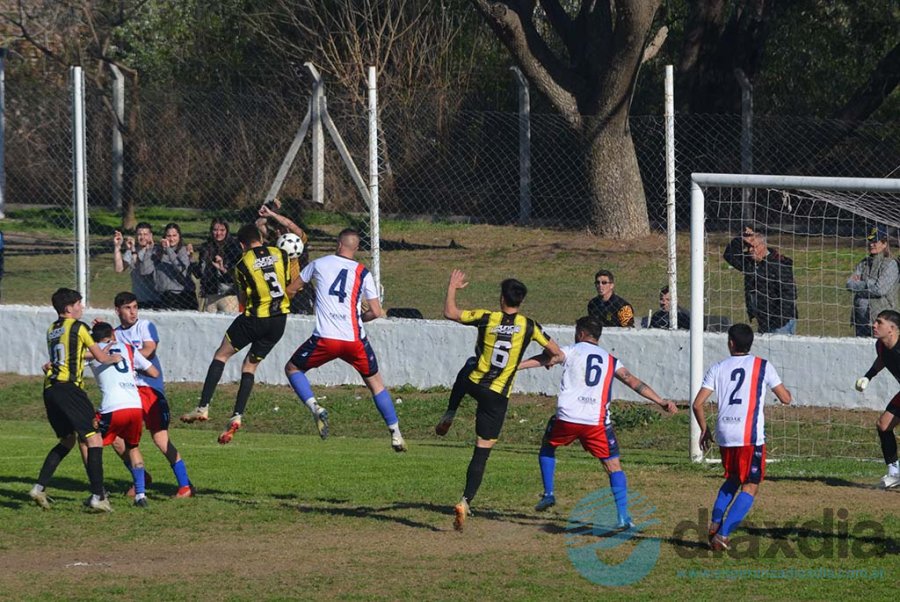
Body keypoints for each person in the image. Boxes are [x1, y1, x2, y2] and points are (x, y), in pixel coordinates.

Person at [520, 316, 677, 524]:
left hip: (568, 417)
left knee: (548, 445)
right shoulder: (610, 360)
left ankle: (548, 493)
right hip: (596, 422)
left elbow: (547, 359)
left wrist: (515, 367)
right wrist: (660, 400)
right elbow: (632, 381)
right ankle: (623, 515)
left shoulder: (571, 350)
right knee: (613, 466)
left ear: (581, 334)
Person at [443, 269, 563, 531]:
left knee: (468, 367)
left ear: (501, 299)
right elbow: (557, 353)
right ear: (521, 302)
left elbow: (450, 312)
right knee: (481, 452)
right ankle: (465, 501)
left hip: (474, 383)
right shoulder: (529, 325)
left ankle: (450, 412)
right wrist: (535, 363)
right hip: (497, 396)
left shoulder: (487, 317)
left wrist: (452, 287)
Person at [283, 228, 405, 451]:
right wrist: (358, 317)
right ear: (356, 248)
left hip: (325, 338)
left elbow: (291, 290)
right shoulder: (362, 272)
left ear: (338, 244)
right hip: (354, 340)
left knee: (292, 369)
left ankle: (315, 407)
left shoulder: (318, 264)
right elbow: (376, 312)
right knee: (376, 385)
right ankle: (395, 433)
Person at [182, 224, 301, 445]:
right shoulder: (280, 254)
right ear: (261, 238)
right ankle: (237, 415)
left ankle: (203, 407)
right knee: (249, 367)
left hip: (255, 319)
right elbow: (289, 282)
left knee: (221, 355)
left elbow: (243, 301)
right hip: (279, 322)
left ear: (241, 244)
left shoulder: (242, 264)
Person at [692, 323, 792, 551]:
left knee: (733, 479)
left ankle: (715, 524)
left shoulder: (718, 367)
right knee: (751, 485)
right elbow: (785, 398)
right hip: (749, 436)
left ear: (730, 343)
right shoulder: (762, 366)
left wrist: (705, 429)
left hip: (725, 434)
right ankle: (723, 536)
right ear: (751, 343)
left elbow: (697, 404)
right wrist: (786, 394)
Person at [28, 288, 121, 512]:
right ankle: (98, 496)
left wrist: (100, 349)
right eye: (79, 304)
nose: (82, 307)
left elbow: (74, 353)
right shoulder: (79, 327)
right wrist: (112, 357)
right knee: (95, 438)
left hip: (50, 388)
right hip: (69, 388)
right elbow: (99, 357)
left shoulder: (52, 329)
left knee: (67, 440)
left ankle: (39, 488)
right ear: (68, 308)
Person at [112, 291, 195, 497]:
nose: (133, 312)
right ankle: (140, 477)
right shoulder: (115, 334)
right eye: (127, 308)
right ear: (117, 311)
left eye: (135, 307)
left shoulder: (145, 326)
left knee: (160, 439)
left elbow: (149, 349)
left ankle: (185, 485)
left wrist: (127, 356)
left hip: (150, 390)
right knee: (116, 438)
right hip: (128, 391)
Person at [87, 321, 159, 508]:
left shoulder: (93, 351)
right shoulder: (128, 348)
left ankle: (98, 492)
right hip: (135, 405)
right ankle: (141, 495)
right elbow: (153, 371)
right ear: (113, 333)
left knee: (88, 442)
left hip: (113, 406)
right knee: (132, 447)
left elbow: (74, 358)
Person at [854, 309, 900, 489]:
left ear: (892, 329)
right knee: (884, 425)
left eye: (879, 322)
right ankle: (895, 473)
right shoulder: (880, 345)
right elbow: (882, 359)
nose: (874, 325)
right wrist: (868, 376)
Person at [723, 227, 797, 335]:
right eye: (747, 247)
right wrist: (741, 237)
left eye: (753, 247)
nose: (749, 250)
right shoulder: (750, 263)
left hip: (780, 322)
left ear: (763, 246)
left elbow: (789, 294)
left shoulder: (779, 264)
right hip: (763, 320)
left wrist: (779, 321)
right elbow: (729, 255)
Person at [257, 201, 313, 315]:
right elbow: (258, 224)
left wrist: (274, 214)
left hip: (300, 290)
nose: (278, 231)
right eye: (277, 228)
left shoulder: (299, 239)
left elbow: (290, 225)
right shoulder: (275, 243)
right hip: (281, 290)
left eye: (282, 228)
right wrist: (269, 212)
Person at [847, 226, 898, 337]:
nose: (871, 244)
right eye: (870, 241)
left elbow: (880, 290)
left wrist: (862, 283)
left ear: (884, 244)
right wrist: (870, 283)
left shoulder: (890, 264)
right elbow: (849, 284)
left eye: (875, 241)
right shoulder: (864, 263)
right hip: (860, 319)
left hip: (881, 320)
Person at [192, 218, 243, 313]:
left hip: (228, 294)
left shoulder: (234, 247)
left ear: (227, 231)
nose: (218, 233)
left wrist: (223, 269)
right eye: (215, 230)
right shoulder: (206, 247)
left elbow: (237, 274)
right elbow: (198, 273)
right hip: (210, 294)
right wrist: (191, 259)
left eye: (222, 230)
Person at [113, 222, 162, 310]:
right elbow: (119, 269)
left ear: (151, 235)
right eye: (139, 234)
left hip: (156, 299)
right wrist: (117, 247)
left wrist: (133, 252)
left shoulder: (157, 251)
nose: (142, 237)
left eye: (145, 234)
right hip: (138, 299)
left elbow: (143, 270)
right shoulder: (132, 250)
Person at [152, 222, 198, 310]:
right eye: (168, 236)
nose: (171, 239)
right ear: (164, 237)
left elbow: (181, 268)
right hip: (165, 295)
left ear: (179, 236)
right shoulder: (158, 251)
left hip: (184, 295)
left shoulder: (183, 251)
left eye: (174, 235)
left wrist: (168, 250)